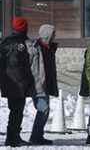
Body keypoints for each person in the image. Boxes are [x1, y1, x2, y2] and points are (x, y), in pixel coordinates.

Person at [0, 17, 34, 147]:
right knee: (17, 111)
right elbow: (23, 65)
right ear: (24, 28)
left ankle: (13, 136)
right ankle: (13, 137)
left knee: (14, 110)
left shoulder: (5, 42)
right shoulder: (23, 43)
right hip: (19, 83)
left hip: (8, 82)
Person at [25, 24, 58, 145]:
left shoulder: (50, 48)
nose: (55, 36)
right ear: (47, 34)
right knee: (43, 109)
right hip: (37, 85)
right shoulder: (34, 48)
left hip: (45, 85)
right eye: (53, 34)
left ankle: (37, 135)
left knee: (44, 110)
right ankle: (35, 137)